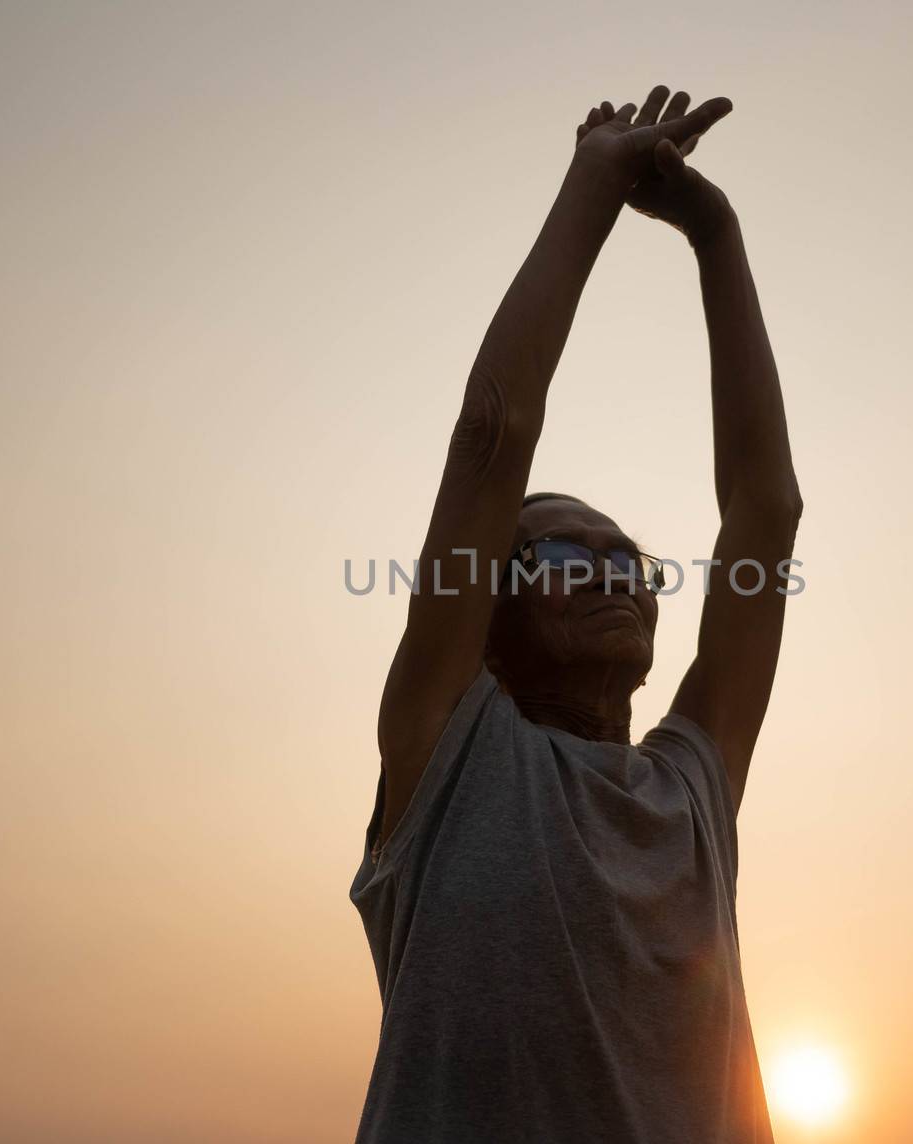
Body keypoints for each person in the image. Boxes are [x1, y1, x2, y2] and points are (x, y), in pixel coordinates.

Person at [350, 83, 802, 1143]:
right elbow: (491, 436)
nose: (608, 574)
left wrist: (716, 236)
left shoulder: (691, 785)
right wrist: (594, 183)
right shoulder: (450, 758)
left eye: (628, 559)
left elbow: (766, 514)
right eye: (558, 552)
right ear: (488, 620)